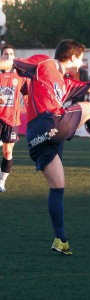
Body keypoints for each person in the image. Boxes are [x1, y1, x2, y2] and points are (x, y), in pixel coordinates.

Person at [0, 39, 90, 254]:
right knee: (89, 108)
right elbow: (12, 64)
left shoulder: (66, 82)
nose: (82, 62)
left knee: (57, 187)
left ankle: (60, 239)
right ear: (73, 57)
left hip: (36, 138)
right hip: (49, 122)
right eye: (81, 57)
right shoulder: (45, 63)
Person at [0, 44, 28, 192]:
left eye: (11, 54)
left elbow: (27, 94)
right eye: (6, 54)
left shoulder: (20, 74)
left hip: (12, 120)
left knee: (8, 152)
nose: (9, 56)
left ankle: (1, 182)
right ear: (1, 57)